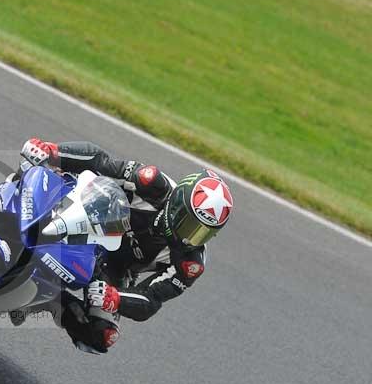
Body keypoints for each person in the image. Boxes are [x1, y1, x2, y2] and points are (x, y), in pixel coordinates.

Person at [19, 137, 234, 354]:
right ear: (178, 204)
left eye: (203, 233)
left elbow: (151, 299)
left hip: (113, 270)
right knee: (41, 167)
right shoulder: (152, 182)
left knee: (102, 336)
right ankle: (16, 197)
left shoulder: (189, 262)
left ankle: (47, 297)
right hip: (88, 219)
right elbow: (100, 162)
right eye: (189, 225)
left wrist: (115, 298)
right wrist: (54, 152)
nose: (191, 237)